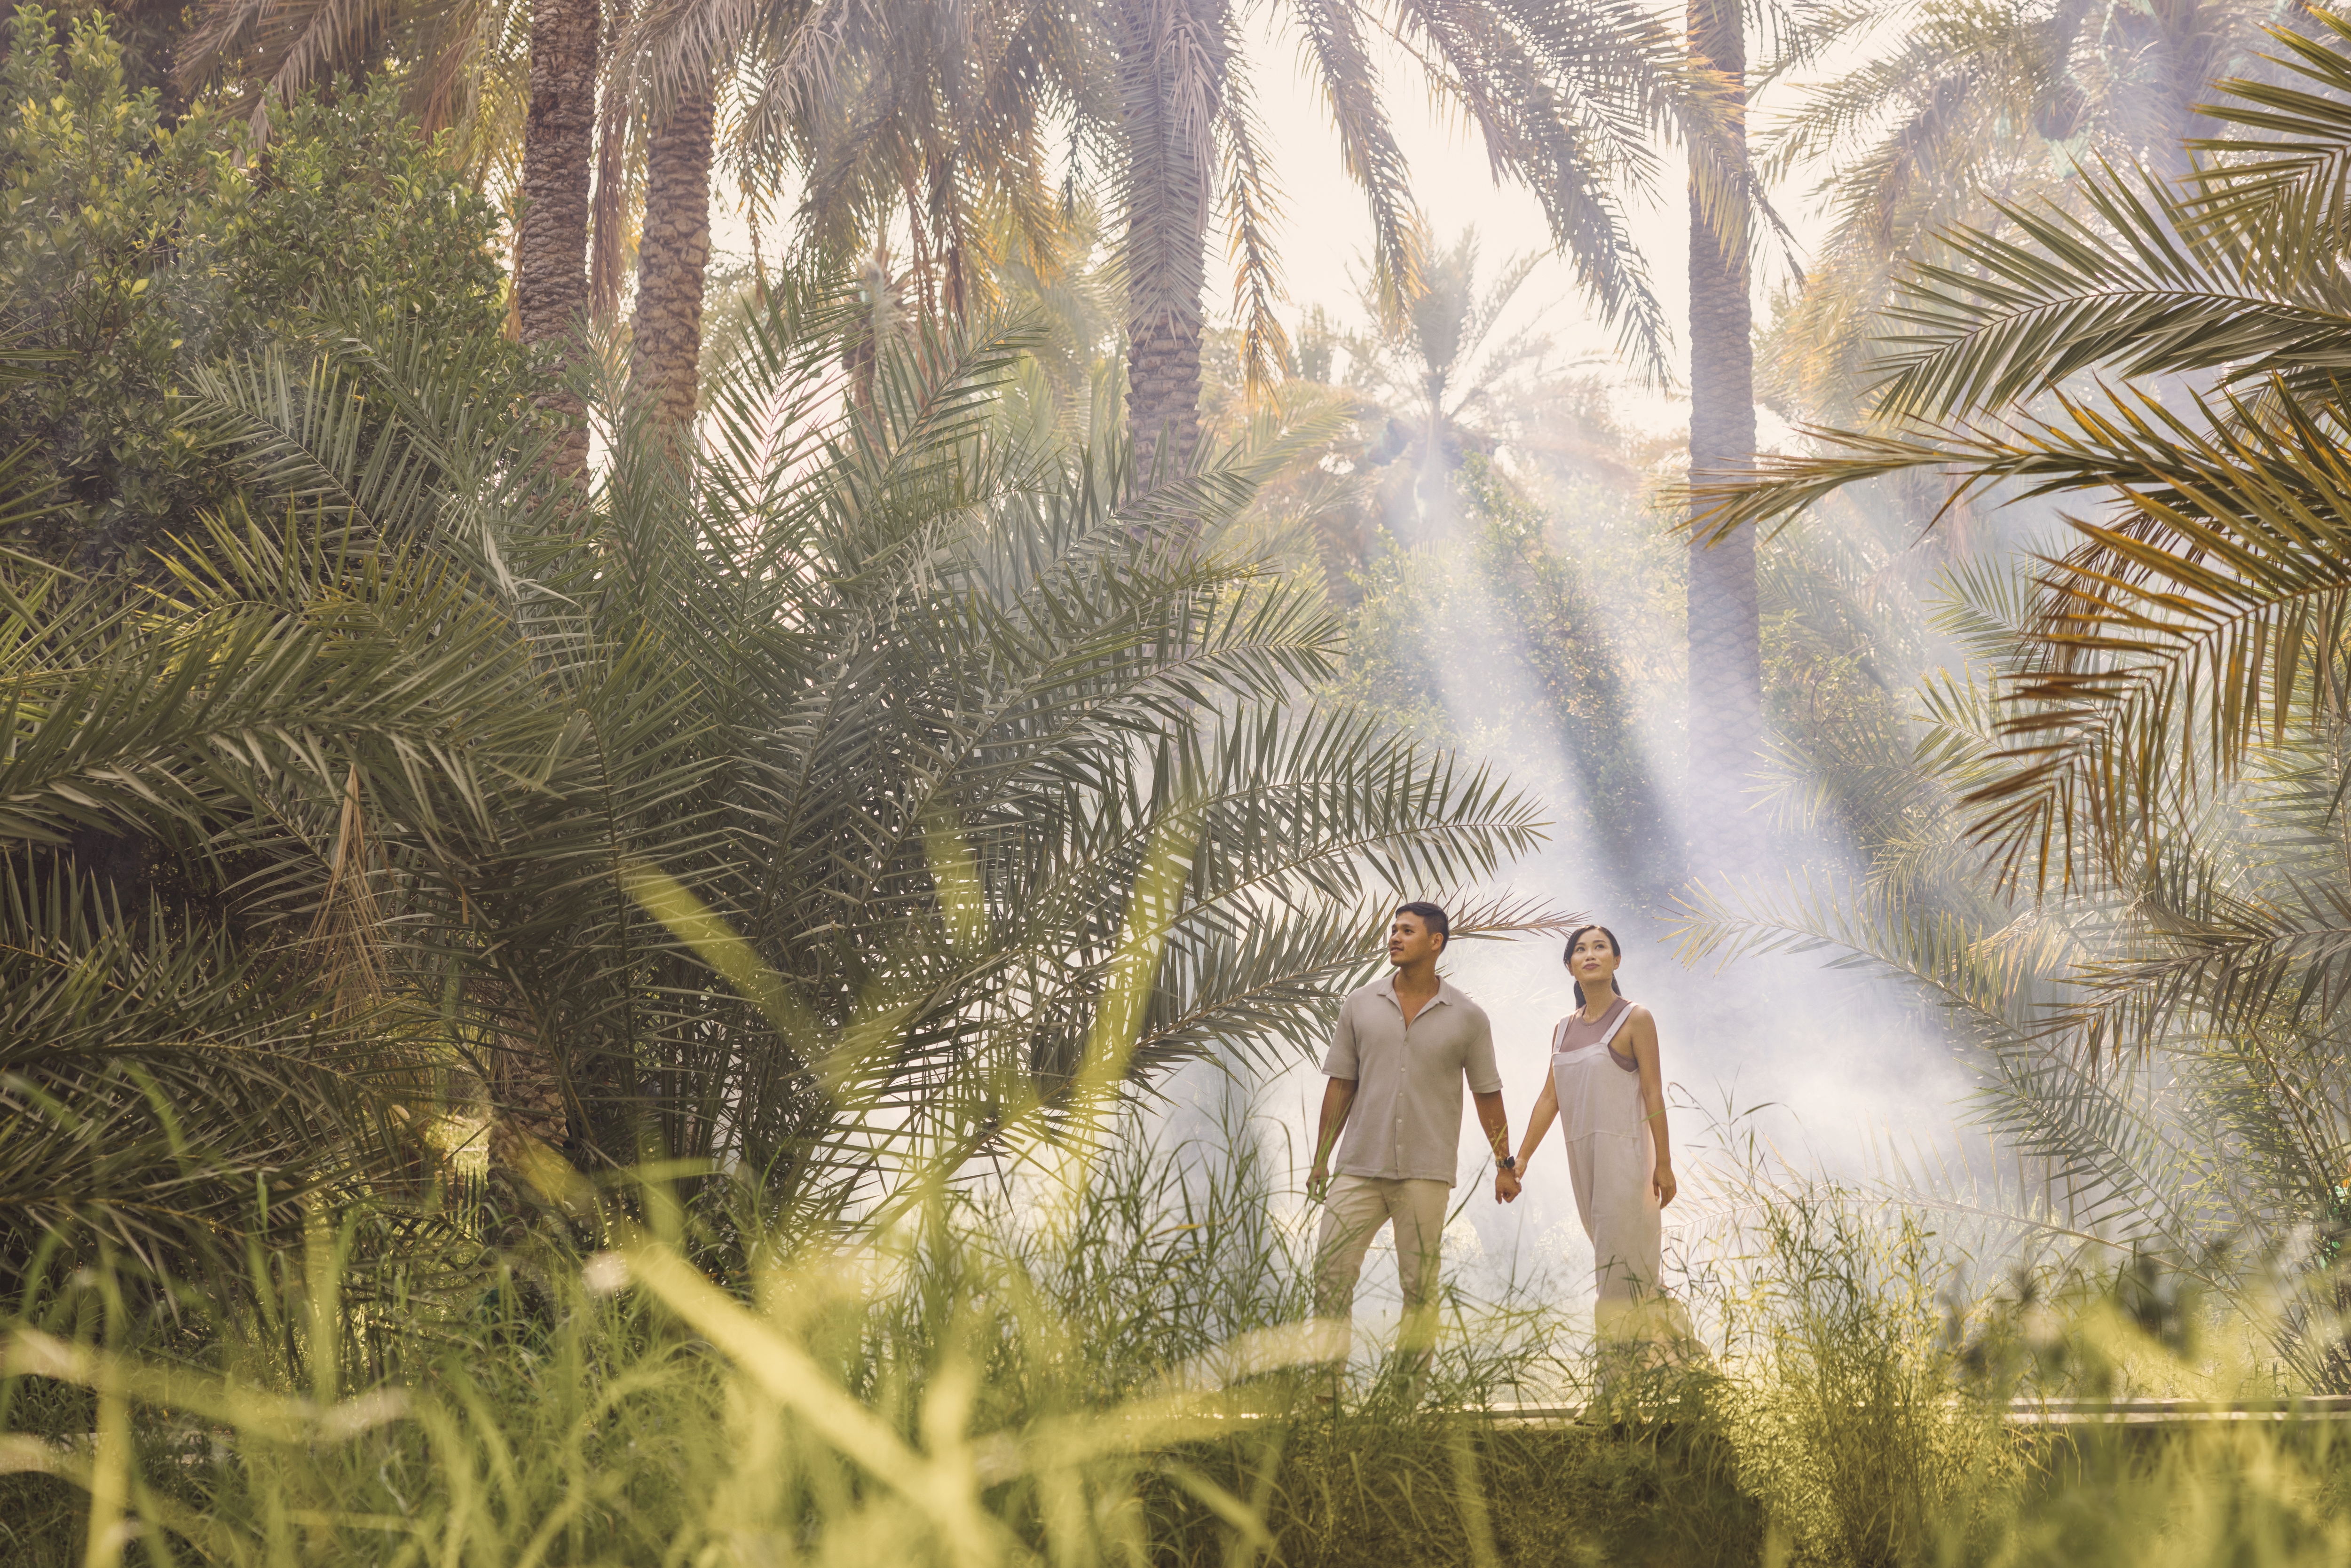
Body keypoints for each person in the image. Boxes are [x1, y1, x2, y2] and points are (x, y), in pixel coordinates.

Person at [1307, 902, 1513, 1392]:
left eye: (1407, 930)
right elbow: (1341, 1084)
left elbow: (1488, 1094)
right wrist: (1320, 1158)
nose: (1394, 937)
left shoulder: (1467, 1017)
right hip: (1357, 1165)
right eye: (1393, 929)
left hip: (1425, 1170)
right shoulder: (1359, 1003)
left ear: (1435, 942)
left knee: (1419, 1286)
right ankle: (1324, 1390)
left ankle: (1405, 1395)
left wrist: (1504, 1163)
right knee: (1329, 1275)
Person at [1496, 924, 1682, 1376]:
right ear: (1569, 966)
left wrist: (1664, 1164)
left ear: (1617, 961)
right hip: (1586, 1166)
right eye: (1580, 949)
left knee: (1616, 1273)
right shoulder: (1562, 1030)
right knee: (1633, 1275)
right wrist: (1520, 1159)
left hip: (1627, 1163)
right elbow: (1549, 1098)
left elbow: (1654, 1093)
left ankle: (1613, 1386)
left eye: (1601, 947)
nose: (1591, 954)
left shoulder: (1636, 1018)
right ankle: (1682, 1367)